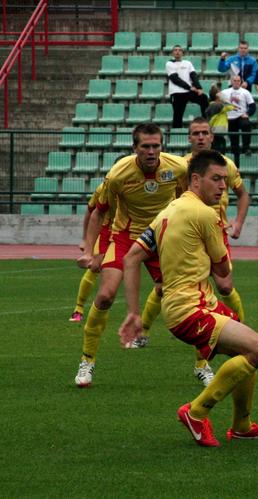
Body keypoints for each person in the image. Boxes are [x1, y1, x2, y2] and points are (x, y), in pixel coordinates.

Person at [118, 150, 258, 446]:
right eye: (215, 179)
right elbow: (222, 271)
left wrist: (134, 312)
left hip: (190, 305)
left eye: (225, 180)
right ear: (195, 180)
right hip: (190, 310)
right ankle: (195, 412)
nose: (222, 186)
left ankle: (242, 426)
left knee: (245, 348)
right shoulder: (205, 214)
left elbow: (131, 258)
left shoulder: (170, 210)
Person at [73, 123, 187, 388]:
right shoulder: (118, 175)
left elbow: (185, 200)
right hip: (126, 236)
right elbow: (100, 212)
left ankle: (202, 366)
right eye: (145, 146)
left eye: (155, 146)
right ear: (134, 148)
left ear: (162, 146)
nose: (151, 151)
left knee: (185, 296)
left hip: (160, 237)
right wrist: (91, 252)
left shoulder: (178, 168)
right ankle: (87, 361)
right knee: (104, 296)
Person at [69, 182, 115, 323]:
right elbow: (91, 211)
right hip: (108, 229)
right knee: (94, 267)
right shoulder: (103, 188)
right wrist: (84, 239)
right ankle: (79, 309)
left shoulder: (137, 184)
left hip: (131, 230)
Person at [166, 45, 208, 129]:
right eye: (175, 50)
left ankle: (205, 123)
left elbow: (193, 76)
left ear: (182, 53)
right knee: (178, 115)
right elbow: (175, 79)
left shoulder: (187, 63)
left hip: (188, 92)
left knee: (203, 97)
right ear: (172, 53)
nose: (177, 52)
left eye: (179, 50)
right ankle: (176, 137)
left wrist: (199, 88)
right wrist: (189, 87)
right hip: (177, 92)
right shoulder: (169, 63)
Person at [219, 75, 255, 158]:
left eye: (238, 81)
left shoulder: (245, 92)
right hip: (229, 118)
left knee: (246, 124)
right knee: (234, 141)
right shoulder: (225, 92)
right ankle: (235, 158)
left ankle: (246, 148)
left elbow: (252, 106)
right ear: (231, 82)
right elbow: (218, 103)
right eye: (234, 80)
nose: (236, 82)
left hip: (241, 116)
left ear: (241, 82)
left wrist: (247, 113)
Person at [205, 85, 234, 153]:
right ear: (217, 95)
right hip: (216, 134)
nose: (222, 94)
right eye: (220, 93)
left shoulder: (216, 105)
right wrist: (224, 98)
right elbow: (231, 106)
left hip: (218, 134)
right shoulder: (216, 105)